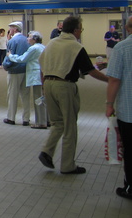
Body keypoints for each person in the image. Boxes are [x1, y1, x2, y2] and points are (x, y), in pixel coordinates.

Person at [37, 16, 109, 174]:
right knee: (70, 126)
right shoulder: (75, 46)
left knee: (57, 123)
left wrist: (44, 87)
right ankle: (67, 165)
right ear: (76, 30)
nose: (80, 32)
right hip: (65, 86)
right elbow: (90, 71)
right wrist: (109, 80)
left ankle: (46, 151)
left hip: (48, 84)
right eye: (81, 29)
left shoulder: (51, 43)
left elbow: (41, 67)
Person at [105, 16, 132, 199]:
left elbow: (114, 79)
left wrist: (109, 104)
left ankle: (130, 187)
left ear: (128, 28)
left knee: (130, 150)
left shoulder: (122, 47)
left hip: (129, 111)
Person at [9, 31, 46, 128]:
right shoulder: (42, 47)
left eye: (29, 37)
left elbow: (22, 59)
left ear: (34, 39)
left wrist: (10, 56)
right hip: (42, 74)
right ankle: (46, 119)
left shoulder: (33, 48)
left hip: (36, 76)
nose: (27, 39)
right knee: (42, 98)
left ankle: (41, 122)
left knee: (38, 99)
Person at [3, 21, 30, 126]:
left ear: (15, 29)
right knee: (26, 95)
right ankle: (26, 119)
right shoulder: (27, 40)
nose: (9, 30)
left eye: (10, 28)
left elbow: (9, 57)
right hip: (26, 70)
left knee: (12, 95)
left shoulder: (12, 41)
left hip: (14, 71)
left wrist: (5, 66)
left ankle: (11, 118)